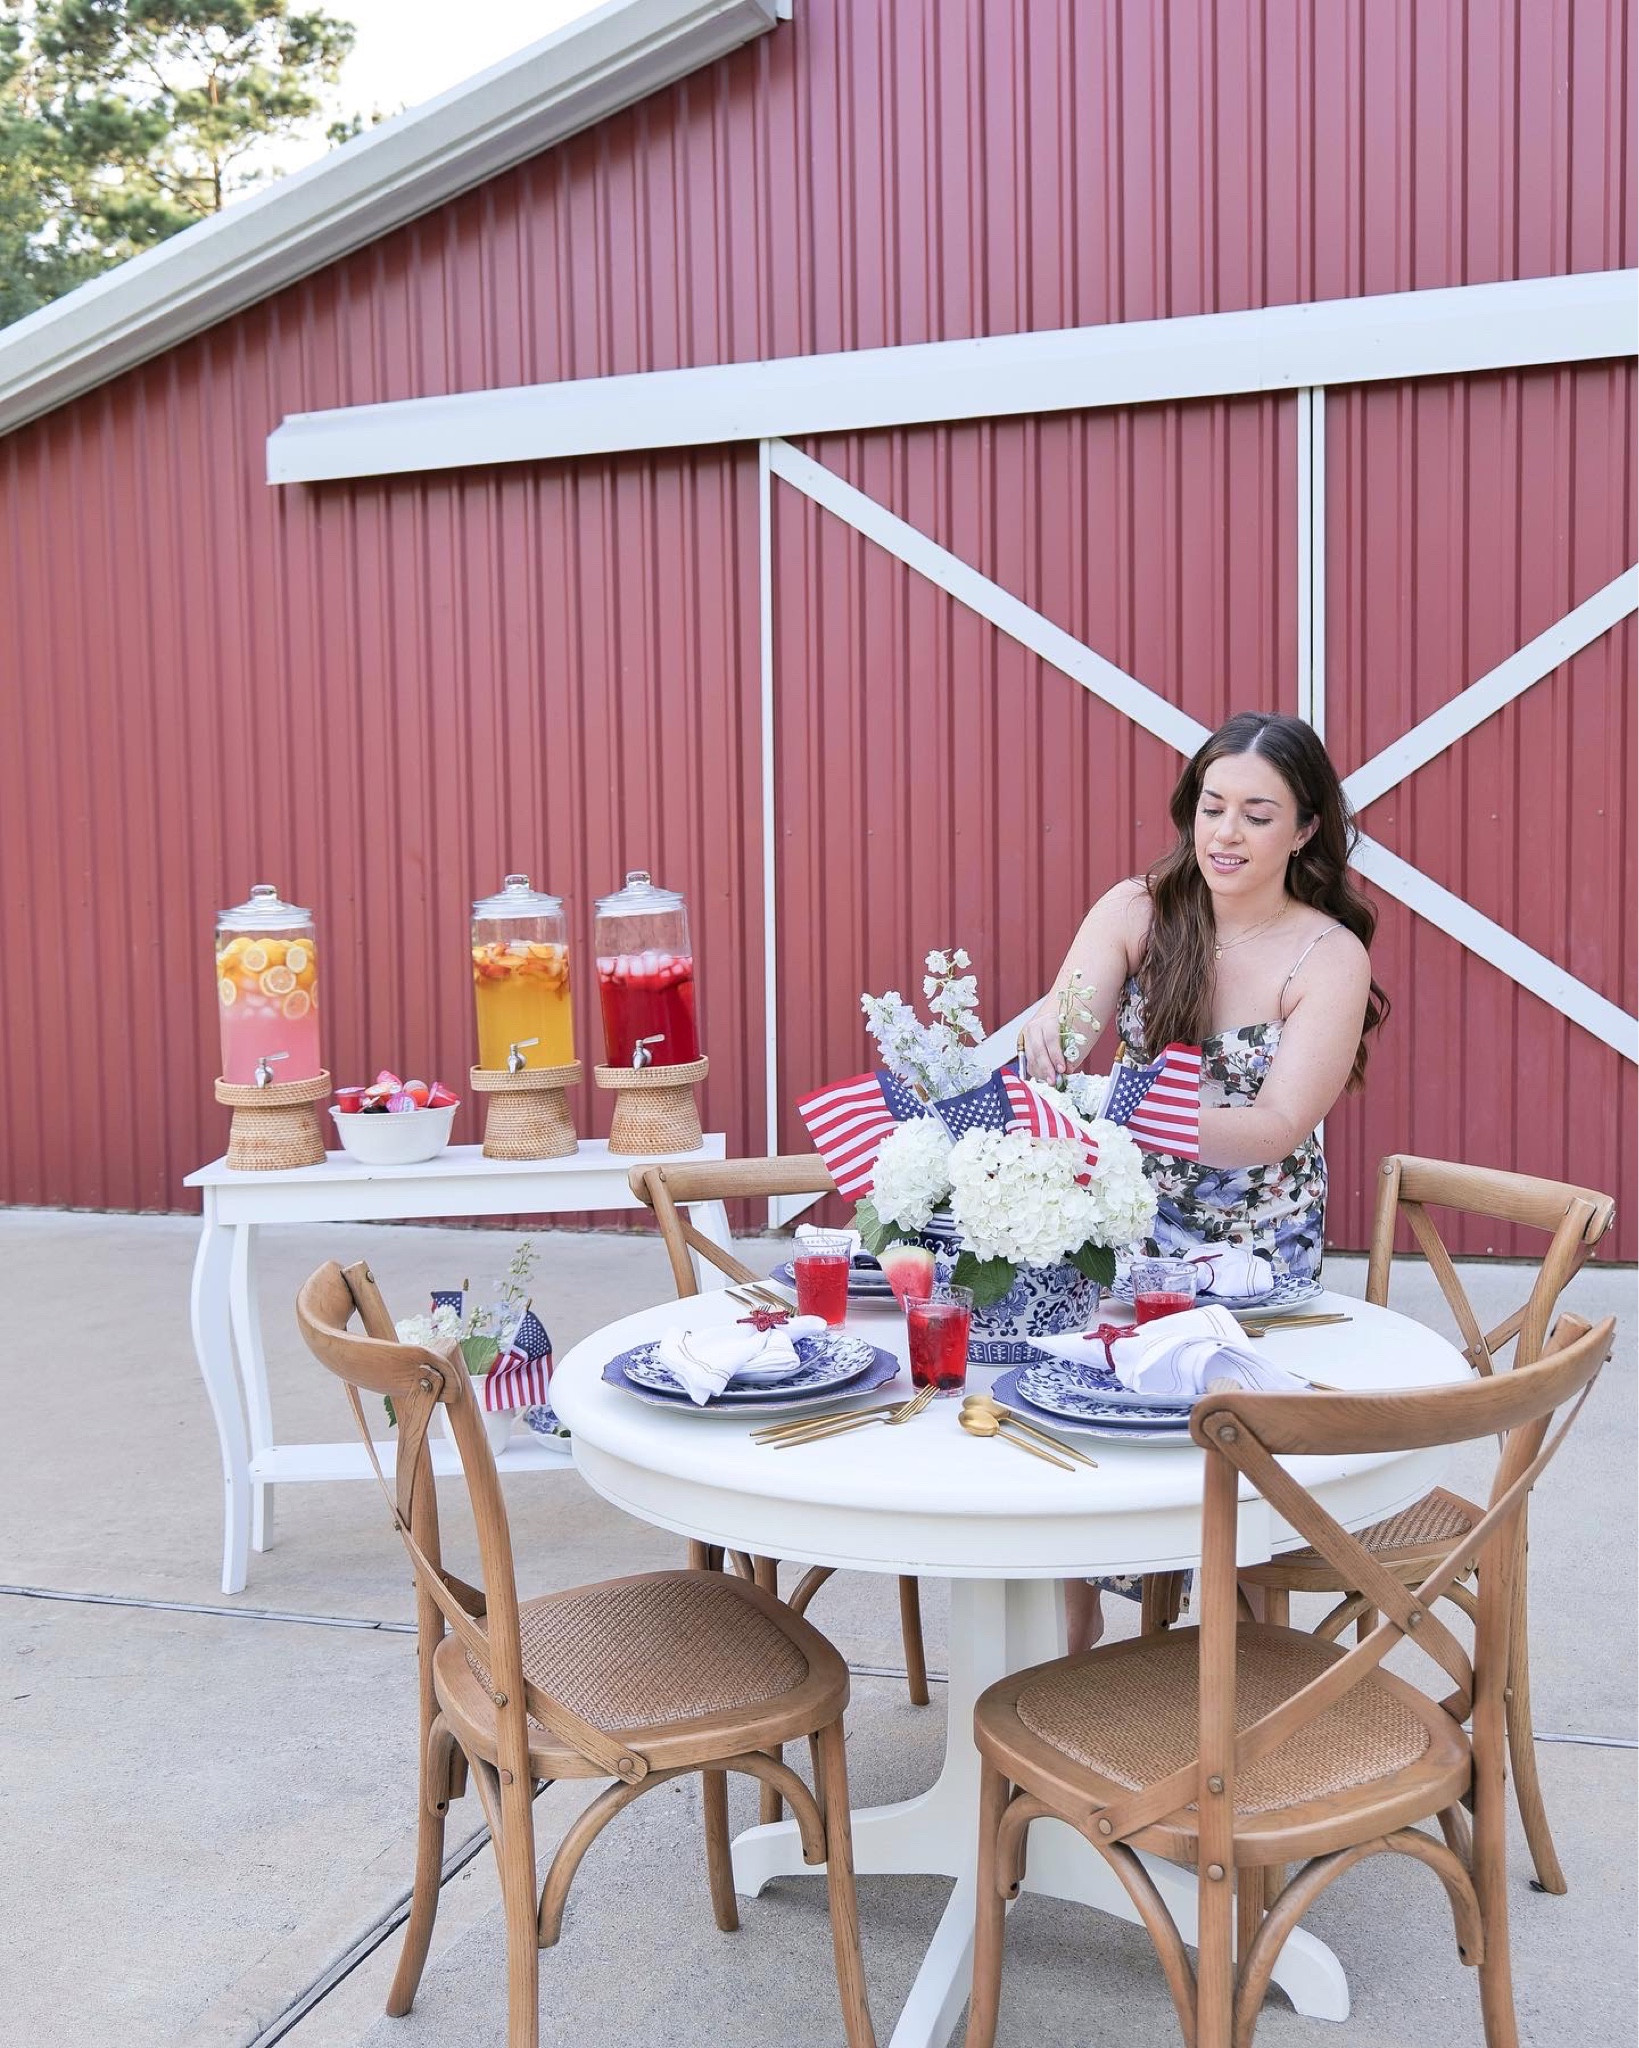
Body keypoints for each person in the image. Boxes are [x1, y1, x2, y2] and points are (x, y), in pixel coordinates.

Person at [1021, 710, 1389, 1651]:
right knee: (1071, 1430)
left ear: (1305, 829)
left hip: (1253, 1250)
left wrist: (1118, 1114)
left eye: (1257, 815)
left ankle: (1236, 1673)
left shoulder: (1327, 955)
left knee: (1223, 1460)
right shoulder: (1138, 909)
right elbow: (1066, 1036)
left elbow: (1272, 1128)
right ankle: (1070, 1673)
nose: (1225, 834)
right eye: (1212, 807)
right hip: (1125, 1220)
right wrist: (1052, 1042)